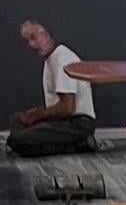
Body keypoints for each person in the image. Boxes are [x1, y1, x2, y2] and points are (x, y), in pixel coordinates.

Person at [10, 20, 97, 158]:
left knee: (20, 140)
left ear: (46, 35)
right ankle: (69, 144)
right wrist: (37, 113)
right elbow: (57, 106)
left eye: (33, 38)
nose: (31, 45)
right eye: (27, 41)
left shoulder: (63, 59)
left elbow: (67, 108)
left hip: (78, 124)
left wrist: (38, 115)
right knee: (16, 120)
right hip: (62, 121)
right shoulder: (50, 60)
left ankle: (80, 143)